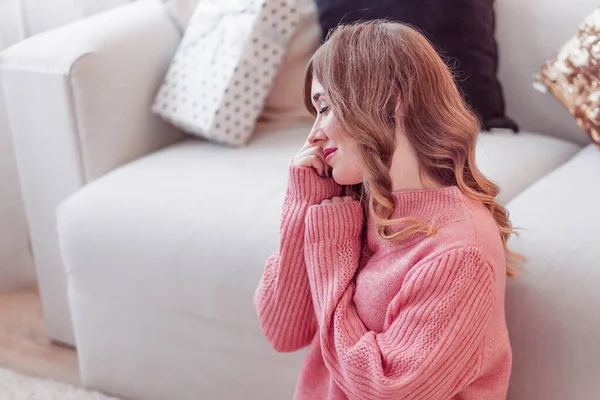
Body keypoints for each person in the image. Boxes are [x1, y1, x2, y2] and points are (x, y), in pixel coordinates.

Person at [254, 20, 520, 400]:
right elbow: (283, 331)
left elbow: (386, 389)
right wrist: (304, 201)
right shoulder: (355, 203)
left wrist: (331, 257)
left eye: (326, 107)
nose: (313, 134)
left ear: (392, 100)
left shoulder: (461, 252)